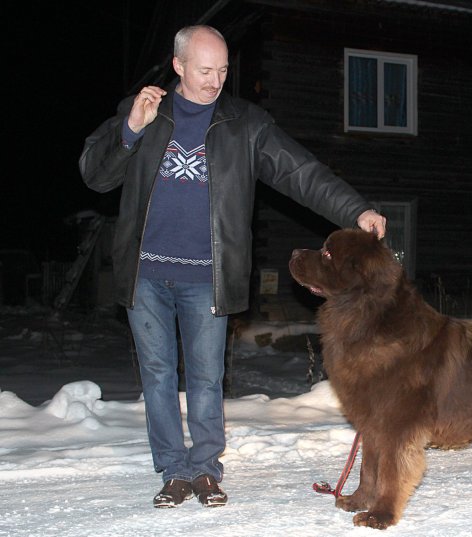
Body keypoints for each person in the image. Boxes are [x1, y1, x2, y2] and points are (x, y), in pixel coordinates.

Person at [79, 25, 386, 508]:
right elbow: (95, 176)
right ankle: (172, 471)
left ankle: (205, 470)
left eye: (223, 70)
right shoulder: (145, 111)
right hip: (147, 276)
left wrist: (355, 211)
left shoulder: (244, 123)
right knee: (158, 375)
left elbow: (301, 172)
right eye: (204, 70)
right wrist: (130, 130)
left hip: (207, 276)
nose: (215, 80)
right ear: (178, 66)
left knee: (205, 376)